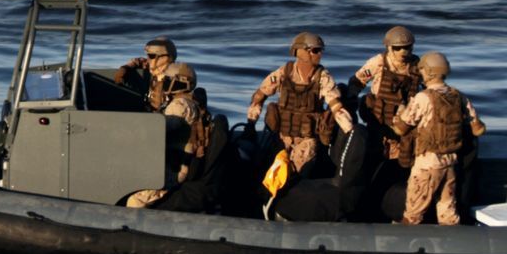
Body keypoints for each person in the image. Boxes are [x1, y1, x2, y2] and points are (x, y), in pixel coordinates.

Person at [391, 51, 486, 225]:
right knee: (448, 213)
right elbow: (478, 129)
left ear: (428, 72)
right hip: (450, 164)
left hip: (427, 166)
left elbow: (401, 128)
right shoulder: (459, 96)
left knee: (413, 214)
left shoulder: (423, 97)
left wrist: (399, 113)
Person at [125, 62, 229, 211]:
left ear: (179, 82)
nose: (164, 84)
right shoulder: (191, 102)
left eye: (167, 80)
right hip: (178, 164)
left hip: (174, 172)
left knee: (135, 201)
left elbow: (159, 129)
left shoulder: (180, 105)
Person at [246, 32, 354, 175]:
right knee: (270, 171)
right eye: (315, 50)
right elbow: (260, 96)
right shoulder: (284, 72)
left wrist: (350, 131)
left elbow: (336, 106)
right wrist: (251, 123)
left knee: (300, 172)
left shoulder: (323, 77)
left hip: (307, 140)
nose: (319, 54)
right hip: (282, 136)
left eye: (321, 50)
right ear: (302, 52)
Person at [347, 25, 423, 159]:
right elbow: (357, 81)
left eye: (407, 47)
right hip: (379, 117)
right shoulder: (379, 62)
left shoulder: (418, 65)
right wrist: (350, 101)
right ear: (389, 47)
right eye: (397, 48)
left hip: (404, 120)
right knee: (374, 152)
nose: (403, 52)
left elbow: (430, 89)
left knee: (403, 156)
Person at [114, 36, 178, 112]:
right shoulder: (153, 67)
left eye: (152, 56)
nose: (148, 58)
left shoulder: (176, 76)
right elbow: (141, 62)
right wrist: (126, 68)